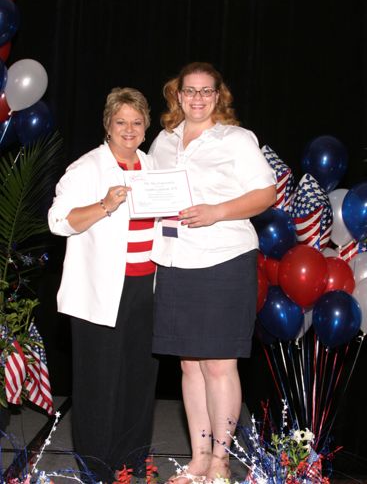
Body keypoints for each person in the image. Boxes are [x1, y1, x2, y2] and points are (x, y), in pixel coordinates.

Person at [149, 62, 277, 483]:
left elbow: (266, 193)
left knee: (220, 366)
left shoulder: (237, 139)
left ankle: (221, 463)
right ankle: (198, 458)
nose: (198, 99)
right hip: (174, 261)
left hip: (224, 259)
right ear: (178, 95)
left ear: (218, 95)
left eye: (207, 91)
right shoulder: (164, 141)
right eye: (190, 91)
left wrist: (217, 211)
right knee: (189, 367)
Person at [48, 87, 159, 483]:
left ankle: (131, 463)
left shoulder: (155, 168)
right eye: (120, 122)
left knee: (139, 381)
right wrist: (104, 205)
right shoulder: (87, 168)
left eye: (136, 122)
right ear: (108, 126)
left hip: (148, 289)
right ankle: (96, 470)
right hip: (101, 292)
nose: (128, 129)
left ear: (146, 127)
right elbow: (58, 222)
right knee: (99, 384)